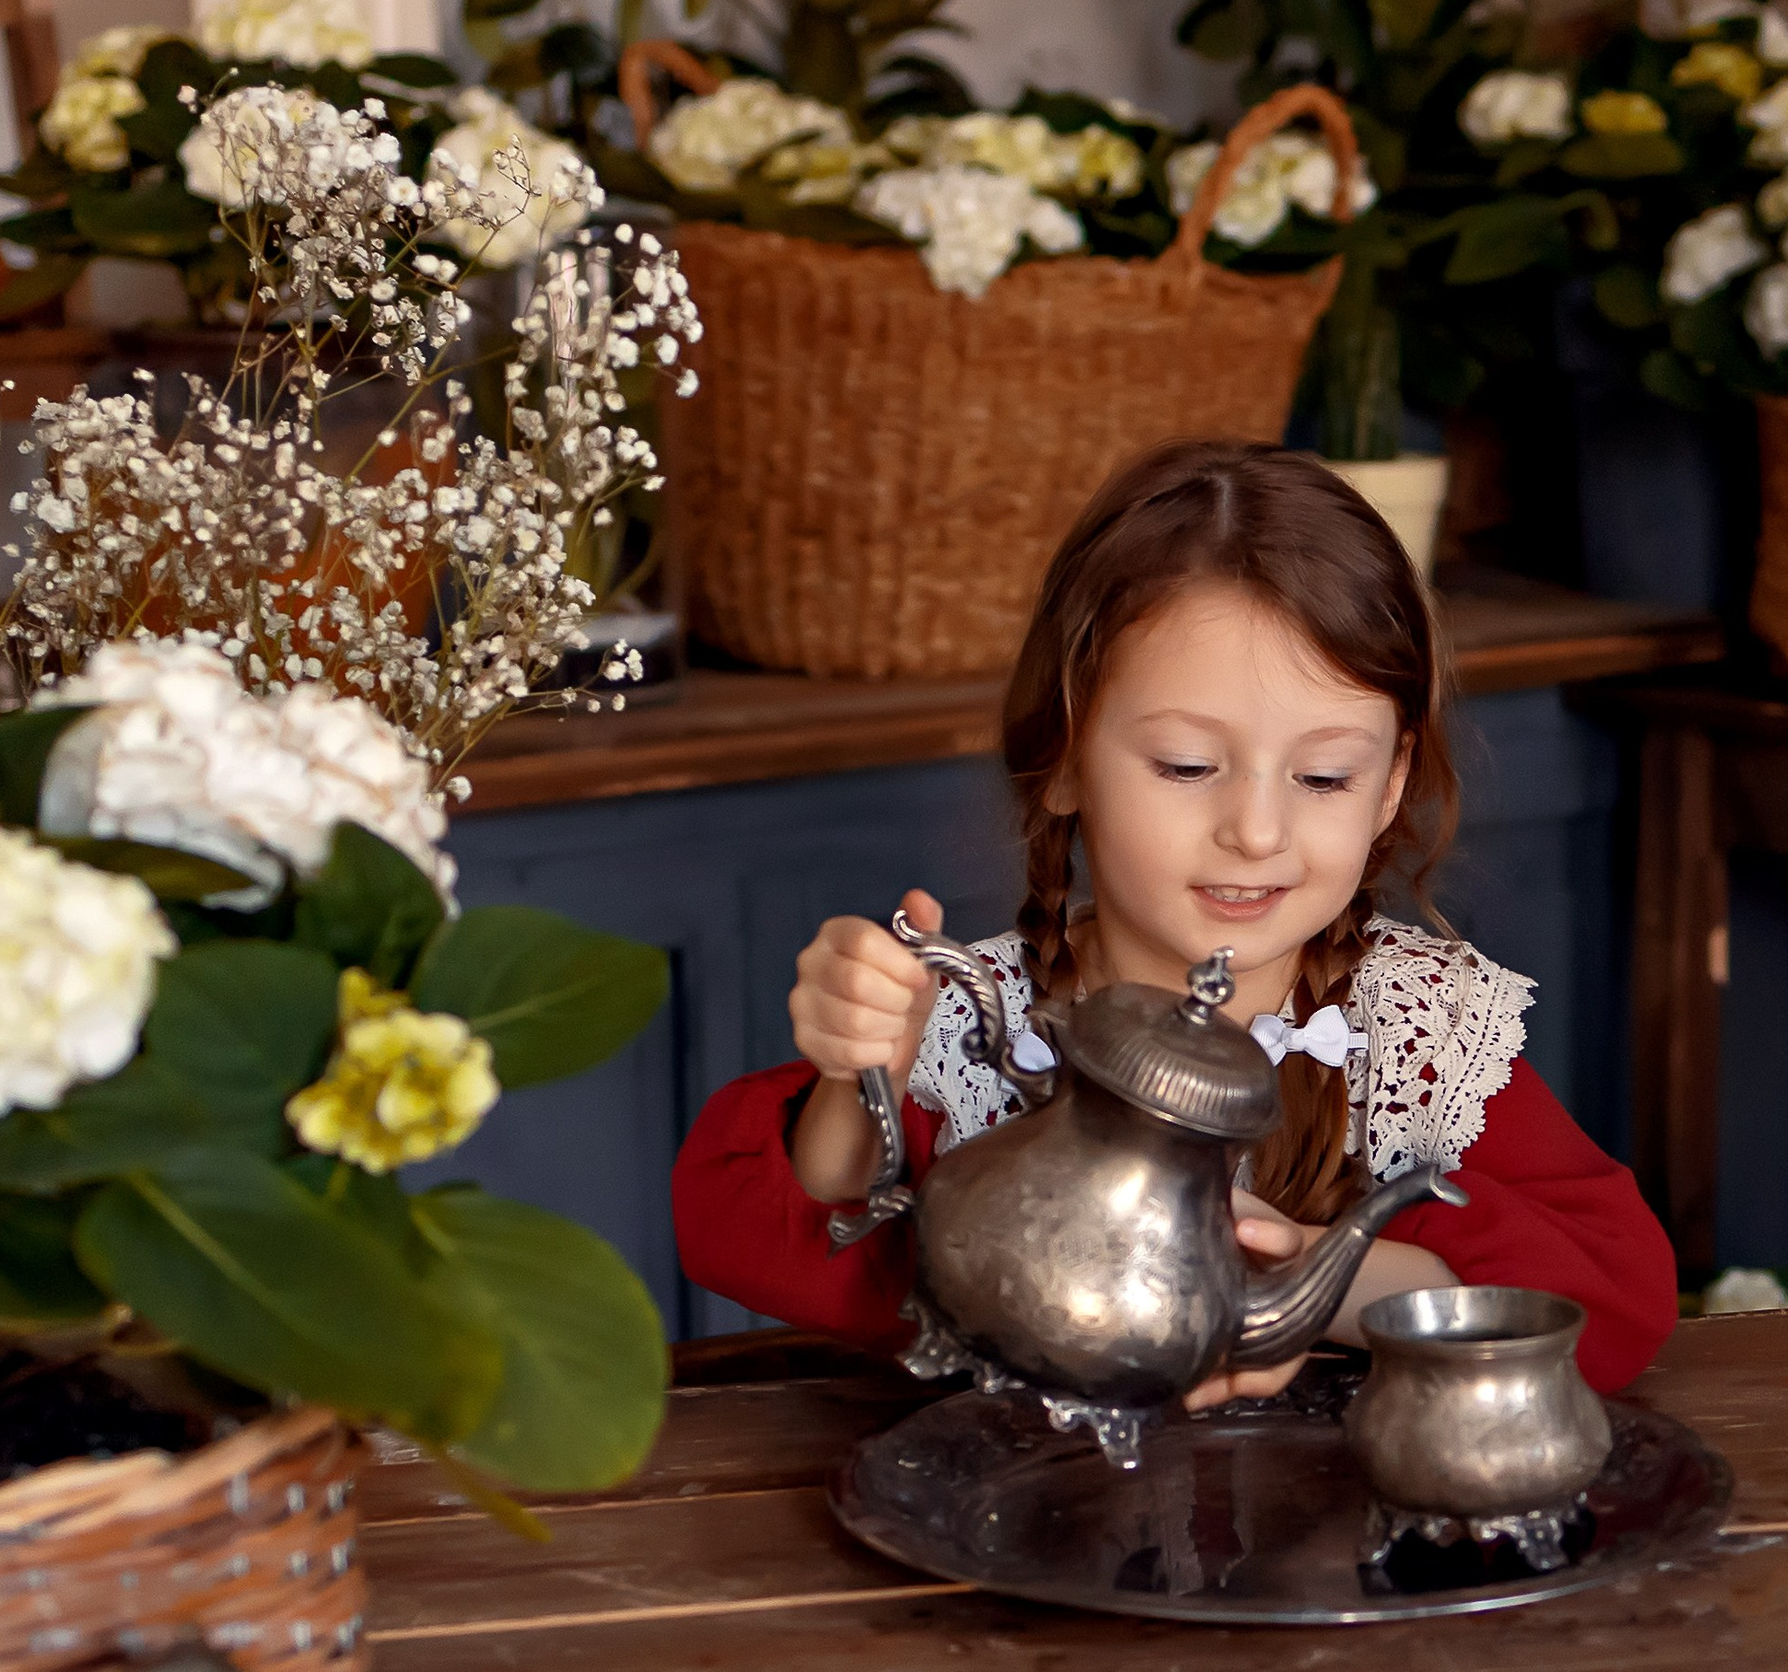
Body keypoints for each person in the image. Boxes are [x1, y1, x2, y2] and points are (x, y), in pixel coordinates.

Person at [673, 439, 1677, 1405]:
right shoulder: (972, 1031)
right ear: (1063, 754)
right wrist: (864, 1082)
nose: (1255, 830)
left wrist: (1322, 1281)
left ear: (1390, 786)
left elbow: (1612, 1310)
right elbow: (762, 1247)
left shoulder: (1416, 1033)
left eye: (1325, 776)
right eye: (1189, 767)